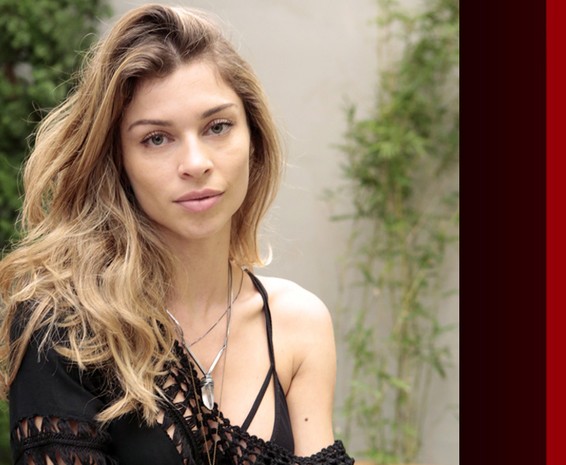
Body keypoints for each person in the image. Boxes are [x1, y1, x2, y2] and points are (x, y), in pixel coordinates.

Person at [0, 4, 354, 464]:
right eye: (156, 138)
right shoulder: (65, 328)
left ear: (254, 140)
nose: (196, 163)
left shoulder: (299, 324)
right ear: (118, 161)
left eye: (217, 127)